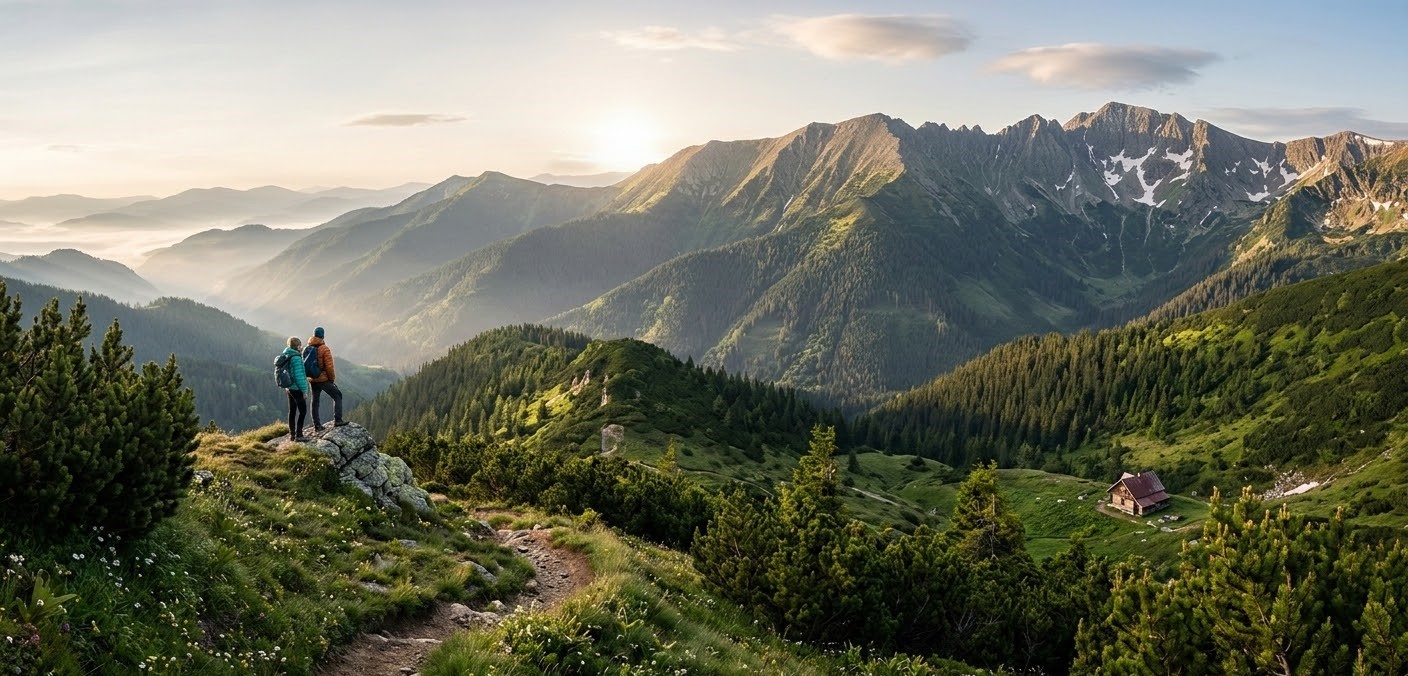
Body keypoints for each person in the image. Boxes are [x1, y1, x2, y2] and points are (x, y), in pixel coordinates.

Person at [306, 326, 347, 429]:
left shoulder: (308, 347)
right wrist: (331, 379)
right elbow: (329, 367)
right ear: (323, 336)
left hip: (312, 379)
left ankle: (317, 425)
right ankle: (338, 420)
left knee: (315, 401)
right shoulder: (324, 348)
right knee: (337, 395)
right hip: (323, 379)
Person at [281, 336, 310, 440]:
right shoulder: (296, 358)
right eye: (300, 345)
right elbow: (298, 376)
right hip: (296, 388)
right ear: (297, 346)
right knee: (303, 411)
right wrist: (305, 390)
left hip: (289, 387)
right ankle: (299, 435)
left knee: (292, 410)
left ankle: (292, 434)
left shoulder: (286, 354)